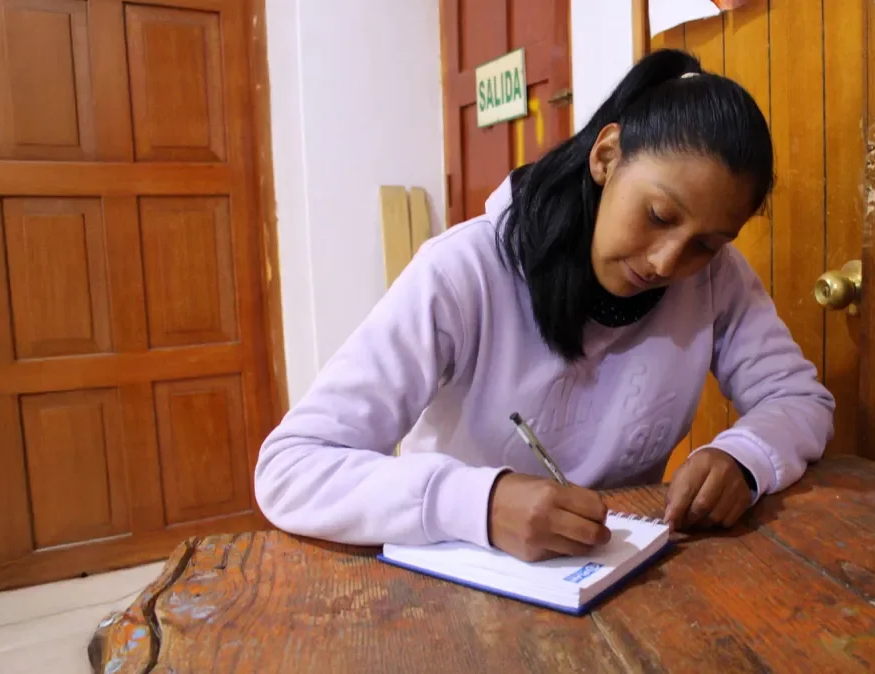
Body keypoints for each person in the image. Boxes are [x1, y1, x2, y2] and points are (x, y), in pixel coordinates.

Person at [254, 48, 835, 563]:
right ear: (606, 155)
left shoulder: (714, 279)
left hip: (613, 575)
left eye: (707, 243)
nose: (666, 262)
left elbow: (797, 398)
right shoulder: (464, 272)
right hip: (458, 582)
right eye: (659, 215)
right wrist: (480, 504)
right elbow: (291, 468)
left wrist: (744, 458)